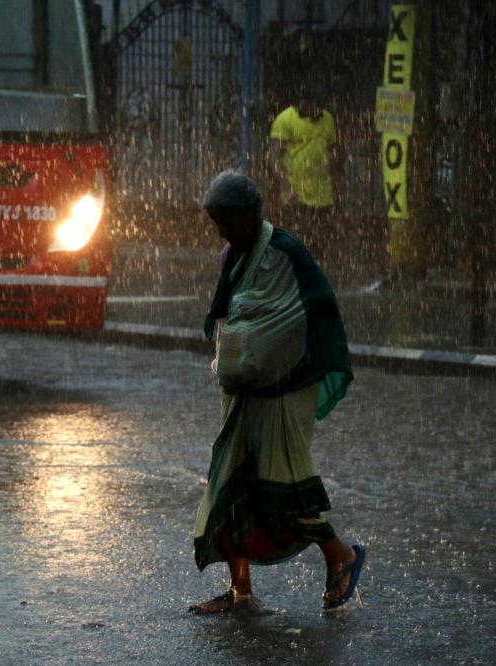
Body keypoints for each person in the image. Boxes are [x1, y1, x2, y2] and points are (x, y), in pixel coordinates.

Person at [189, 170, 365, 615]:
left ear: (253, 214)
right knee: (229, 484)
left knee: (283, 487)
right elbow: (233, 318)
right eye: (218, 224)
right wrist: (242, 355)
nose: (224, 232)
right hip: (246, 390)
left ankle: (340, 555)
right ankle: (240, 591)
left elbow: (312, 311)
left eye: (229, 221)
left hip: (286, 389)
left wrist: (261, 348)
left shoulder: (285, 253)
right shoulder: (234, 254)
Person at [267, 93, 342, 267]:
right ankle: (290, 270)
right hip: (295, 191)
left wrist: (337, 184)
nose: (303, 107)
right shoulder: (285, 119)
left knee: (320, 236)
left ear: (318, 105)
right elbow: (274, 156)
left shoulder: (327, 120)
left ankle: (313, 271)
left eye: (307, 104)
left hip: (322, 192)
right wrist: (285, 185)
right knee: (296, 234)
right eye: (300, 103)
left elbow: (333, 154)